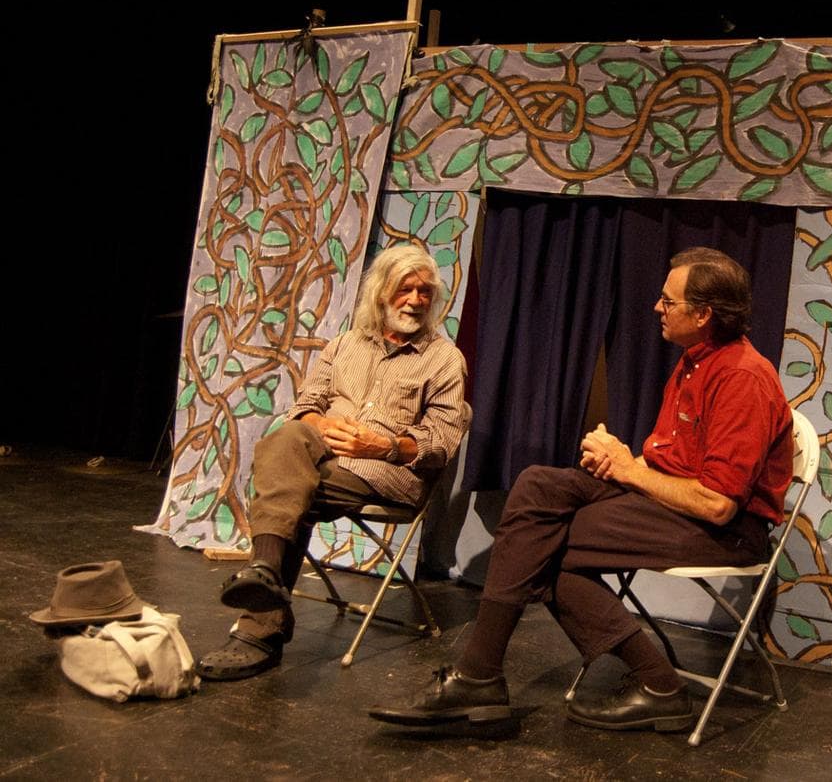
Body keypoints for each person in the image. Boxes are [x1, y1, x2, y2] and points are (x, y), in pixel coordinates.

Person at [370, 247, 793, 732]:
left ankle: (492, 677)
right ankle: (489, 677)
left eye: (668, 301)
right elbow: (675, 462)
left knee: (542, 545)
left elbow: (718, 503)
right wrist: (623, 462)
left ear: (703, 315)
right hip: (670, 502)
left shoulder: (742, 377)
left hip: (726, 530)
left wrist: (628, 470)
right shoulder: (694, 362)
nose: (657, 308)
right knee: (537, 486)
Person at [196, 243, 468, 681]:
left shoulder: (444, 360)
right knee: (286, 444)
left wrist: (382, 445)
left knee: (283, 483)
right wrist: (323, 426)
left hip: (390, 473)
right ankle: (265, 584)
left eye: (424, 292)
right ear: (382, 292)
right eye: (405, 289)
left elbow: (442, 441)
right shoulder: (343, 345)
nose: (416, 301)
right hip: (325, 457)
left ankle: (260, 622)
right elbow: (304, 407)